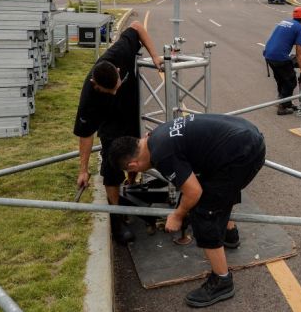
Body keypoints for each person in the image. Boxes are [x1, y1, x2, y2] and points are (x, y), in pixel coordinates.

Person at [108, 114, 266, 307]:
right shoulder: (154, 137)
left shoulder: (161, 155)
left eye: (133, 171)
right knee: (217, 189)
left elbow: (193, 192)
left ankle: (222, 280)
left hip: (243, 153)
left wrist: (178, 215)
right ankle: (229, 234)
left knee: (204, 212)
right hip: (245, 135)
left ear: (133, 165)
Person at [74, 21, 162, 244]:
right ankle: (117, 217)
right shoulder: (89, 97)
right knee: (113, 163)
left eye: (116, 85)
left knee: (137, 153)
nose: (114, 91)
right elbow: (85, 133)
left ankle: (131, 187)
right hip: (110, 123)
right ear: (96, 84)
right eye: (109, 91)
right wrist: (83, 170)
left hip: (130, 112)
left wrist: (155, 57)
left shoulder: (120, 52)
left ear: (118, 71)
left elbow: (137, 27)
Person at [263, 6, 301, 115]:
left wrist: (292, 59)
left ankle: (285, 102)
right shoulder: (300, 28)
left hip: (269, 54)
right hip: (279, 57)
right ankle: (282, 107)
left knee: (281, 80)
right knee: (290, 81)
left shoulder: (285, 22)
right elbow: (299, 52)